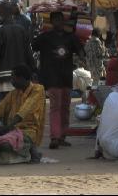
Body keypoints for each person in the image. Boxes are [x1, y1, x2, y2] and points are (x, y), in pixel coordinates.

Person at [32, 11, 84, 149]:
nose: (58, 23)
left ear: (63, 21)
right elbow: (32, 46)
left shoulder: (71, 37)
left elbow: (80, 51)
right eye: (56, 20)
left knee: (65, 107)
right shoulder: (45, 37)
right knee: (55, 107)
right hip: (51, 77)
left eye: (60, 20)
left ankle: (62, 136)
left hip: (66, 77)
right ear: (52, 22)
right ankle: (55, 137)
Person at [0, 65, 45, 164]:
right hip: (11, 131)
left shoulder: (38, 90)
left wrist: (8, 127)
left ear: (23, 78)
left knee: (5, 143)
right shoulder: (13, 93)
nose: (11, 81)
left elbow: (25, 110)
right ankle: (11, 155)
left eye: (13, 78)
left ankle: (26, 153)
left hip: (28, 130)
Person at [0, 2, 34, 100]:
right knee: (20, 109)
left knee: (7, 110)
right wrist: (33, 71)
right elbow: (29, 53)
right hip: (21, 78)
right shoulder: (21, 30)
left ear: (0, 13)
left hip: (4, 79)